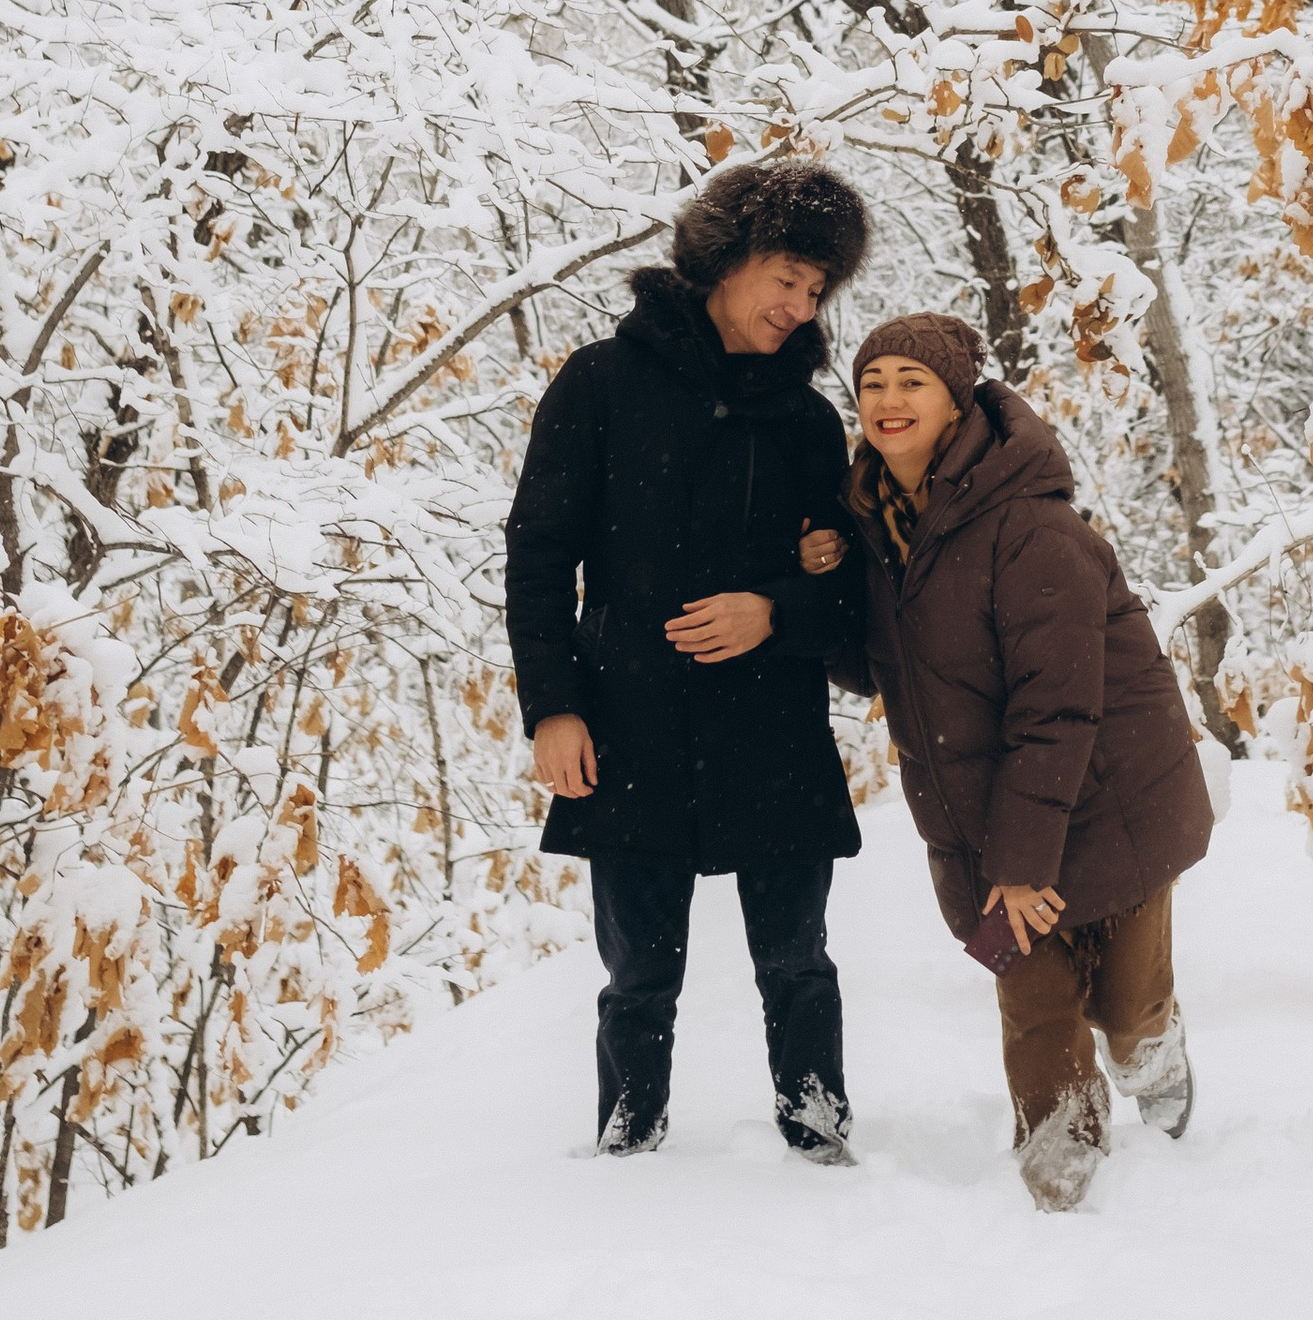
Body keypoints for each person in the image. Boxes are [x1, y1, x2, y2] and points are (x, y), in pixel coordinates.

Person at [504, 158, 871, 1161]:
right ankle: (627, 1150)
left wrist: (776, 611)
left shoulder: (803, 419)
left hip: (774, 726)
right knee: (637, 977)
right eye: (786, 278)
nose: (800, 307)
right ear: (724, 260)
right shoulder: (600, 383)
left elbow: (851, 586)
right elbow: (538, 558)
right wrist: (553, 709)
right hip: (631, 724)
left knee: (798, 962)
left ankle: (820, 1134)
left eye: (816, 291)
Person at [821, 313, 1215, 1212]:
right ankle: (1061, 1179)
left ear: (957, 400)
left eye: (911, 381)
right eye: (873, 381)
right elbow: (879, 665)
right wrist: (821, 579)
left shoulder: (1033, 531)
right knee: (1037, 1005)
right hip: (978, 811)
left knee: (1123, 1005)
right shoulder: (880, 525)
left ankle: (1156, 1052)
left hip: (1111, 800)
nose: (888, 400)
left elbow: (1058, 706)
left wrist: (1024, 862)